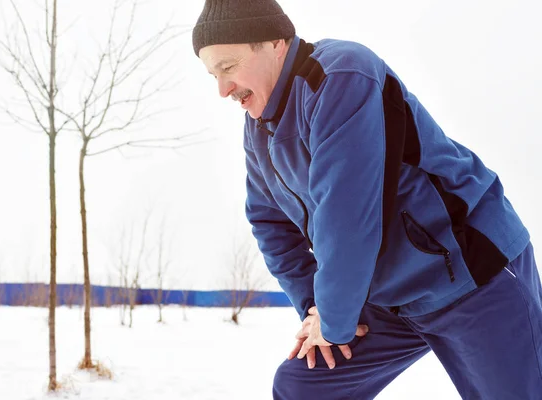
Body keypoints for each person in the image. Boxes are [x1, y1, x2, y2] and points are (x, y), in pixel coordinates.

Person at [192, 0, 542, 399]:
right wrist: (317, 310)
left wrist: (335, 317)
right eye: (212, 75)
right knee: (305, 388)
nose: (222, 90)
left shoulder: (340, 74)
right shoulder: (259, 131)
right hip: (386, 299)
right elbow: (269, 224)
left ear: (276, 43)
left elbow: (347, 212)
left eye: (228, 67)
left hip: (465, 270)